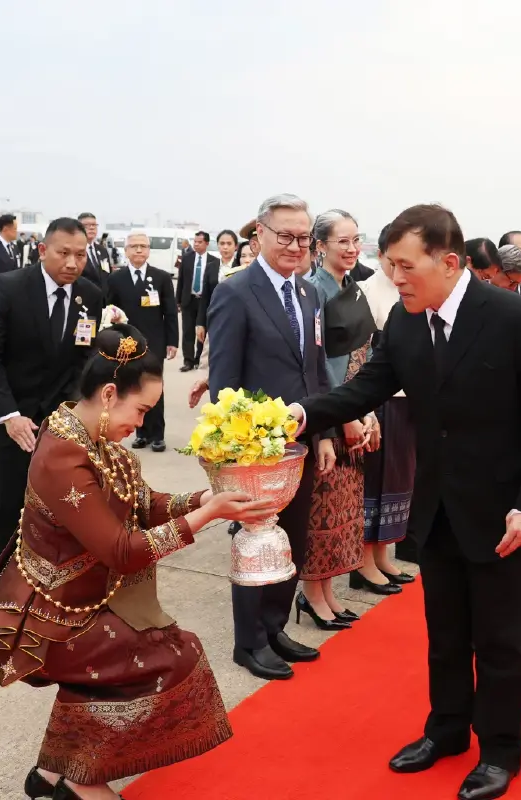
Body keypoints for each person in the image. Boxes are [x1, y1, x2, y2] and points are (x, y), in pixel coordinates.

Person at [290, 204, 521, 800]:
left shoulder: (515, 319)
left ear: (449, 262)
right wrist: (305, 413)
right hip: (438, 507)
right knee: (444, 633)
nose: (394, 277)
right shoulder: (405, 319)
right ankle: (446, 730)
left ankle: (500, 749)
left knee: (498, 641)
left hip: (506, 516)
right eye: (387, 264)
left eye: (403, 265)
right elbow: (370, 385)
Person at [0, 324, 277, 800]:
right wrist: (208, 514)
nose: (143, 422)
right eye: (142, 409)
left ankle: (52, 775)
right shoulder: (63, 454)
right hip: (50, 613)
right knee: (167, 657)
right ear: (109, 393)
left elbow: (144, 504)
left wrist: (208, 497)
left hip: (88, 596)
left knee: (138, 659)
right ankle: (80, 781)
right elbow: (121, 552)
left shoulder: (97, 441)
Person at [205, 194, 332, 681]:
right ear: (259, 234)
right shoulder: (237, 292)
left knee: (293, 538)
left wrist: (320, 433)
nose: (296, 246)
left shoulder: (308, 294)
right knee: (255, 539)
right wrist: (237, 452)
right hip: (254, 447)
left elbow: (315, 370)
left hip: (298, 443)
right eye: (286, 236)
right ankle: (249, 640)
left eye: (304, 237)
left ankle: (276, 625)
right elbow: (224, 381)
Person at [0, 217, 106, 564]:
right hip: (4, 418)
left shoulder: (90, 295)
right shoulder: (8, 288)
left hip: (54, 422)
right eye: (63, 253)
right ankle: (2, 573)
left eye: (80, 255)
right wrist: (10, 416)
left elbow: (83, 359)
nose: (72, 263)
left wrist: (71, 415)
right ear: (43, 250)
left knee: (52, 503)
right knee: (11, 500)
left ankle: (44, 571)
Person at [302, 209, 383, 626]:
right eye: (342, 241)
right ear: (320, 246)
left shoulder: (353, 287)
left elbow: (365, 354)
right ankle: (311, 593)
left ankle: (330, 591)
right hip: (330, 415)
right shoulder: (312, 291)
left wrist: (368, 411)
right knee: (321, 508)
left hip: (355, 406)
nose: (352, 249)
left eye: (356, 240)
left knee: (345, 511)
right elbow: (318, 365)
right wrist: (345, 415)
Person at [360, 224, 416, 582]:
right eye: (390, 258)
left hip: (409, 399)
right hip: (378, 399)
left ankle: (383, 554)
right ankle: (363, 561)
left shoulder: (411, 290)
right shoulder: (365, 291)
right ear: (380, 255)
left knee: (398, 479)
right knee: (373, 481)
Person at [105, 231, 179, 452]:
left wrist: (172, 341)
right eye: (134, 246)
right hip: (126, 343)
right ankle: (141, 433)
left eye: (143, 246)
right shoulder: (115, 279)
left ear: (148, 250)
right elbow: (109, 311)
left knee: (154, 387)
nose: (139, 250)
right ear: (126, 250)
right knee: (132, 388)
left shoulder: (161, 278)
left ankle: (158, 434)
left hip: (154, 342)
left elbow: (170, 313)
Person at [175, 232, 218, 372]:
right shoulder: (187, 258)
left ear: (206, 243)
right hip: (189, 300)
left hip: (205, 301)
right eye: (195, 241)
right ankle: (188, 360)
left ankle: (199, 358)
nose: (196, 244)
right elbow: (181, 280)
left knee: (202, 331)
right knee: (187, 331)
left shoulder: (213, 261)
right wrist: (178, 300)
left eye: (200, 242)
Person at [195, 230, 240, 347]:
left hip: (235, 318)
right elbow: (205, 297)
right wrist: (200, 323)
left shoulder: (240, 267)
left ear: (236, 246)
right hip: (213, 317)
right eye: (222, 243)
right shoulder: (211, 267)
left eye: (229, 244)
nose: (225, 247)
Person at [77, 213, 109, 288]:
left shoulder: (102, 250)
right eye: (87, 225)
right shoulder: (75, 251)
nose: (91, 228)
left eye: (94, 225)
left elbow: (107, 274)